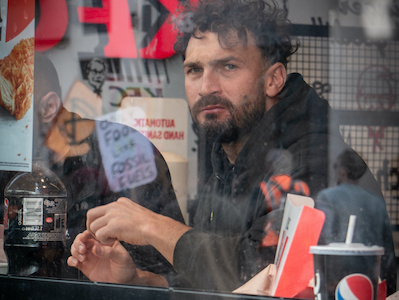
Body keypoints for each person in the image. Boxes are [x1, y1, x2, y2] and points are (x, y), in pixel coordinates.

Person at [67, 0, 396, 294]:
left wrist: (150, 226)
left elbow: (261, 271)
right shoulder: (226, 159)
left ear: (273, 79)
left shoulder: (315, 161)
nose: (207, 87)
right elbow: (223, 284)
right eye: (194, 70)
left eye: (228, 66)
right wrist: (140, 280)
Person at [0, 52, 185, 283]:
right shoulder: (11, 163)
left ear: (48, 108)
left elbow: (171, 272)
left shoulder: (124, 151)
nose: (3, 126)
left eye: (6, 114)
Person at [315, 149, 397, 293]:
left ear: (342, 171)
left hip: (335, 282)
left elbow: (322, 241)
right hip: (368, 281)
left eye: (336, 167)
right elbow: (388, 253)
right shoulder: (377, 202)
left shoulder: (326, 197)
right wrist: (390, 289)